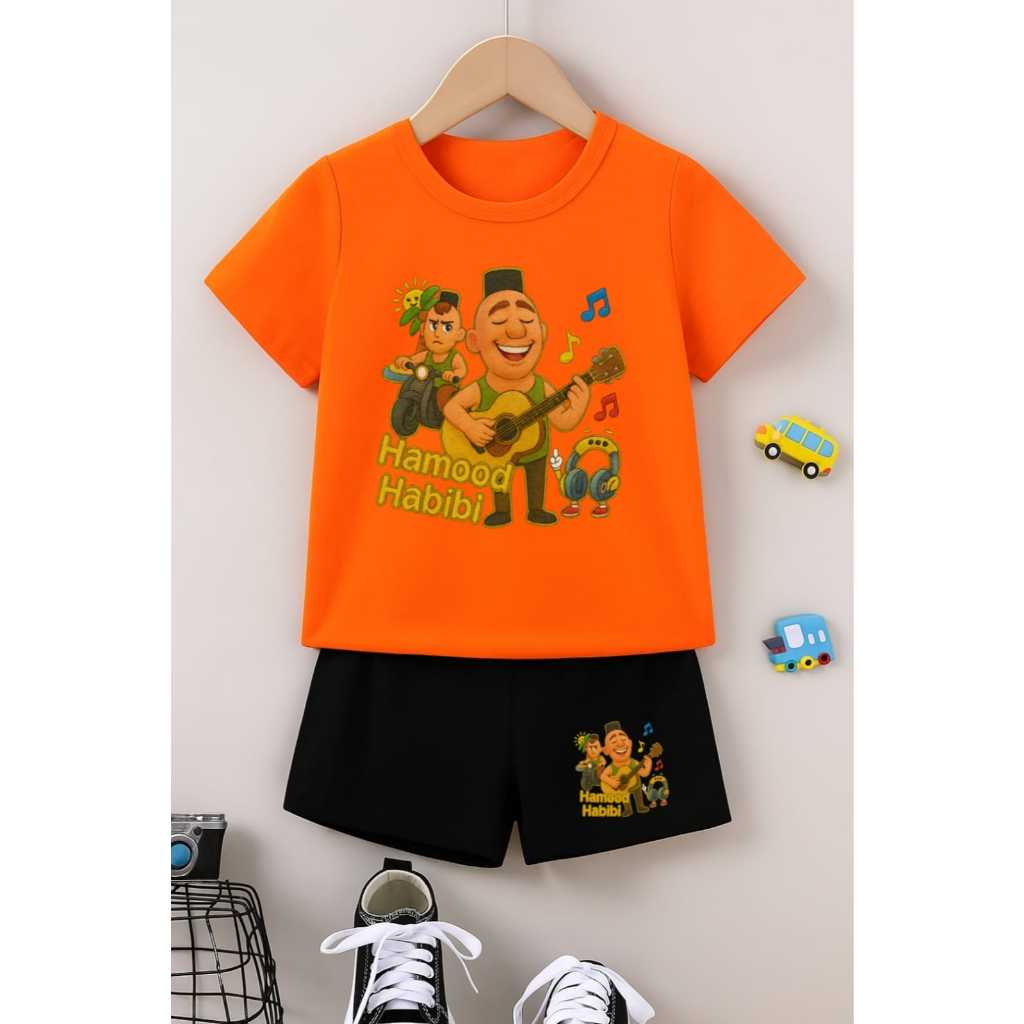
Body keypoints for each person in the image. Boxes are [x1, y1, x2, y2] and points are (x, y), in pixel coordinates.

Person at [443, 268, 591, 526]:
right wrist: (470, 426)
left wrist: (578, 407)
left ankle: (536, 509)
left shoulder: (541, 387)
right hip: (495, 454)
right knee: (499, 472)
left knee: (536, 476)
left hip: (536, 452)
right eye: (499, 321)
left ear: (542, 333)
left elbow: (563, 422)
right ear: (474, 341)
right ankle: (502, 511)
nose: (515, 330)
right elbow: (451, 407)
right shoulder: (482, 388)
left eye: (526, 319)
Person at [599, 720, 652, 817]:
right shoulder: (612, 767)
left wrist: (648, 765)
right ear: (606, 750)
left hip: (636, 786)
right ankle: (628, 810)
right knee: (624, 797)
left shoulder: (633, 763)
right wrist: (612, 782)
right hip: (622, 790)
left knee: (638, 795)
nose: (620, 744)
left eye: (623, 740)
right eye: (614, 742)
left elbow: (644, 774)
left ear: (630, 743)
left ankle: (640, 806)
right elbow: (603, 776)